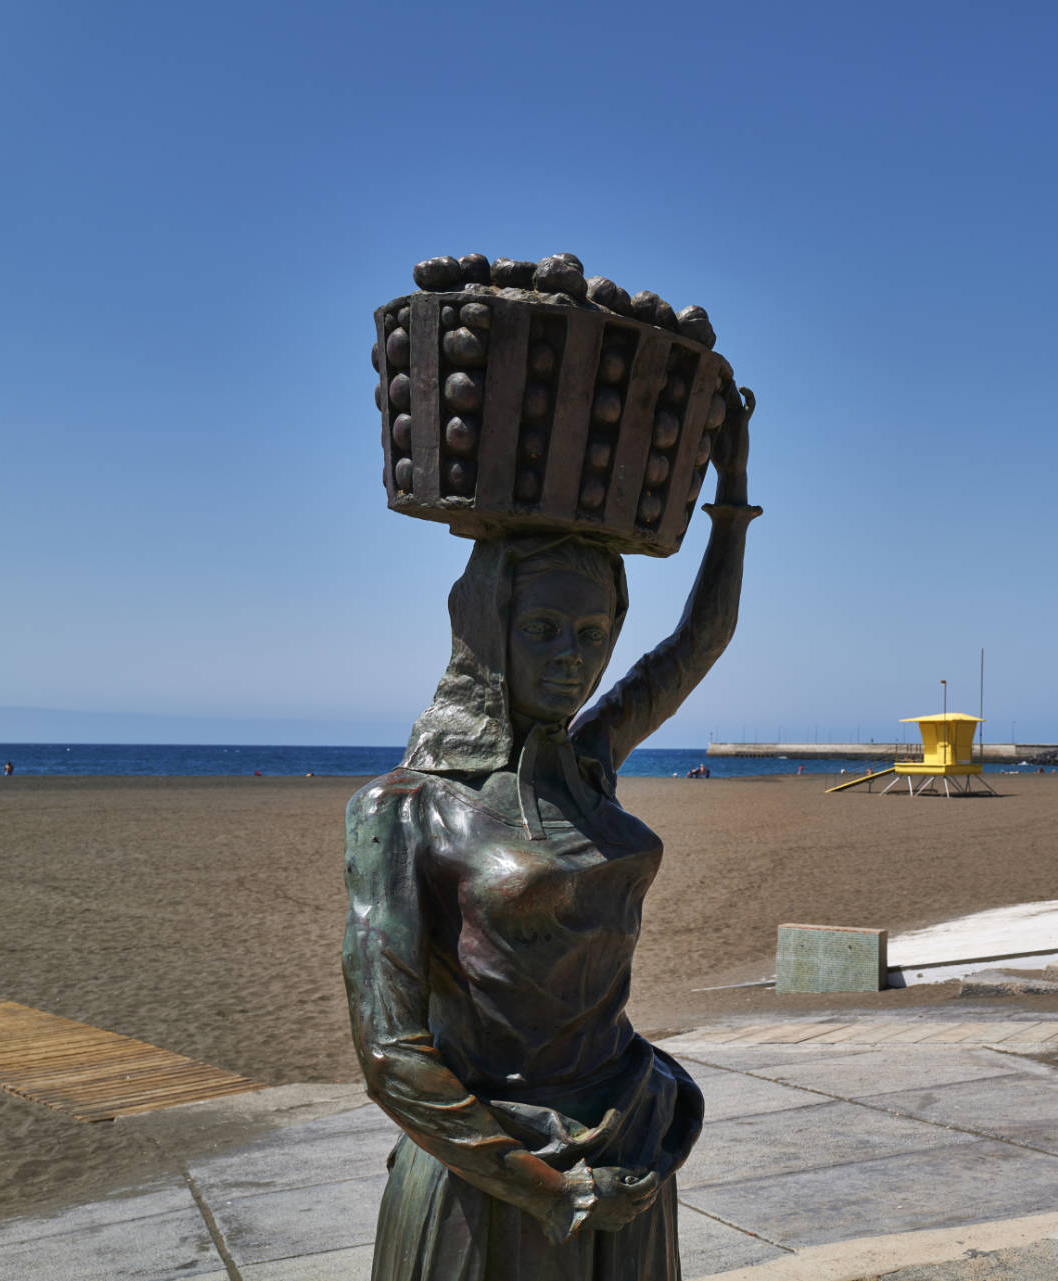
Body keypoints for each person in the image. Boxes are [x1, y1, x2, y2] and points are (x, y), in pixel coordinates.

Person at [342, 390, 756, 1276]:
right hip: (492, 1172)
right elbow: (389, 1051)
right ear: (487, 630)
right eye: (542, 628)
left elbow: (697, 642)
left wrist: (733, 497)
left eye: (592, 633)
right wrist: (549, 1189)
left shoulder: (591, 762)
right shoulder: (404, 807)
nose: (572, 654)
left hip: (627, 1134)